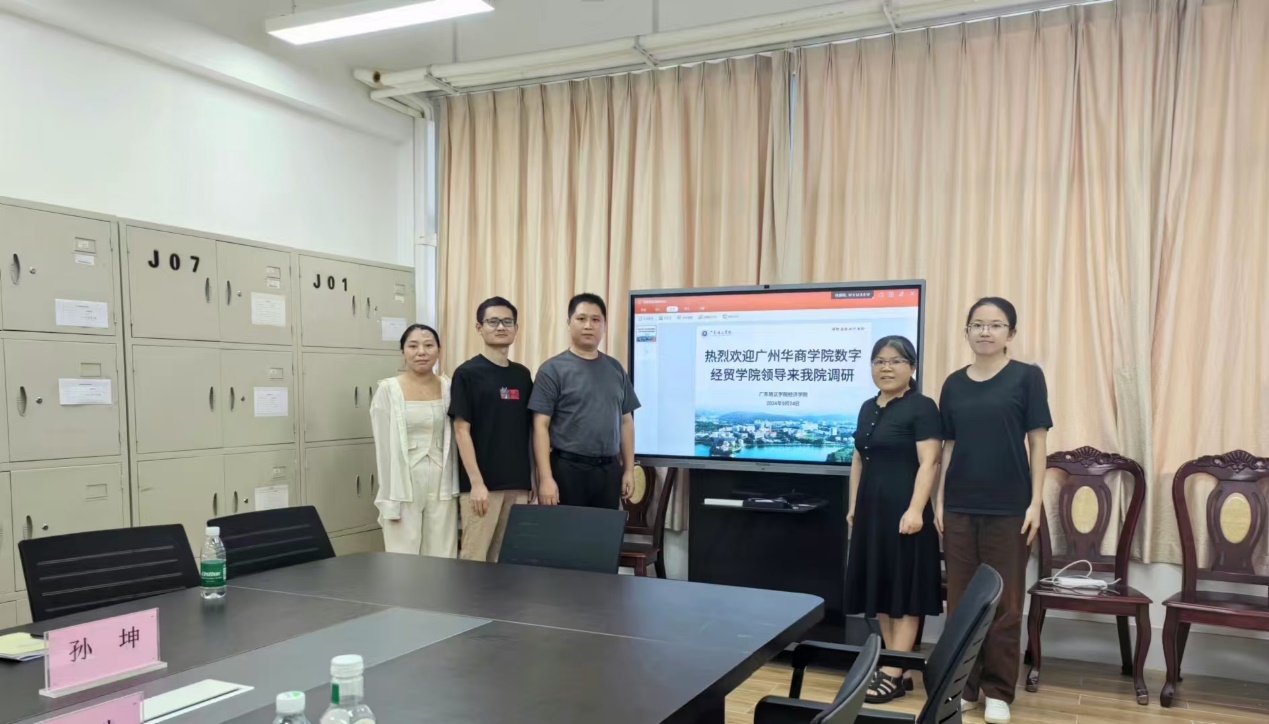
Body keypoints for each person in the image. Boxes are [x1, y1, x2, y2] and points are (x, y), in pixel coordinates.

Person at [936, 297, 1052, 724]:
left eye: (996, 324)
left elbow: (1038, 443)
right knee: (961, 603)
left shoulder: (1027, 377)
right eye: (978, 324)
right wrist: (939, 502)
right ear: (966, 331)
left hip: (1010, 508)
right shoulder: (953, 384)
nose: (985, 331)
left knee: (1005, 603)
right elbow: (948, 446)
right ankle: (965, 687)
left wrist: (1035, 502)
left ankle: (999, 690)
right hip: (959, 507)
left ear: (1011, 334)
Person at [844, 335, 943, 703]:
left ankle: (894, 671)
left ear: (912, 367)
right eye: (879, 361)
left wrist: (916, 509)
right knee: (882, 589)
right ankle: (894, 665)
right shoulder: (867, 407)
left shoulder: (922, 407)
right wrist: (854, 506)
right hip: (872, 511)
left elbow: (930, 462)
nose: (886, 368)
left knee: (904, 590)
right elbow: (859, 459)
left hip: (905, 512)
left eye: (896, 361)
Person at [528, 293, 639, 508]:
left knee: (605, 530)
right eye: (581, 319)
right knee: (568, 530)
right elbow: (540, 426)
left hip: (609, 470)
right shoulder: (552, 370)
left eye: (596, 320)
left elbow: (626, 422)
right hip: (567, 469)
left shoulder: (616, 369)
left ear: (604, 326)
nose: (589, 325)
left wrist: (628, 469)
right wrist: (546, 478)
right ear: (569, 323)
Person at [449, 297, 535, 562]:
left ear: (516, 328)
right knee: (475, 561)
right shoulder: (467, 374)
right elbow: (461, 430)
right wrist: (476, 483)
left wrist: (532, 479)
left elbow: (530, 431)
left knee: (509, 562)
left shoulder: (522, 375)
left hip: (518, 486)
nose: (501, 327)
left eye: (507, 322)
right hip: (482, 488)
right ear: (479, 327)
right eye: (493, 321)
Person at [372, 324, 459, 558]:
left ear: (439, 350)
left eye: (429, 345)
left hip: (442, 479)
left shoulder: (449, 387)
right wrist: (389, 498)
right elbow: (383, 449)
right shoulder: (388, 390)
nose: (421, 352)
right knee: (403, 555)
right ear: (403, 351)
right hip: (403, 480)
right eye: (413, 346)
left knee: (443, 553)